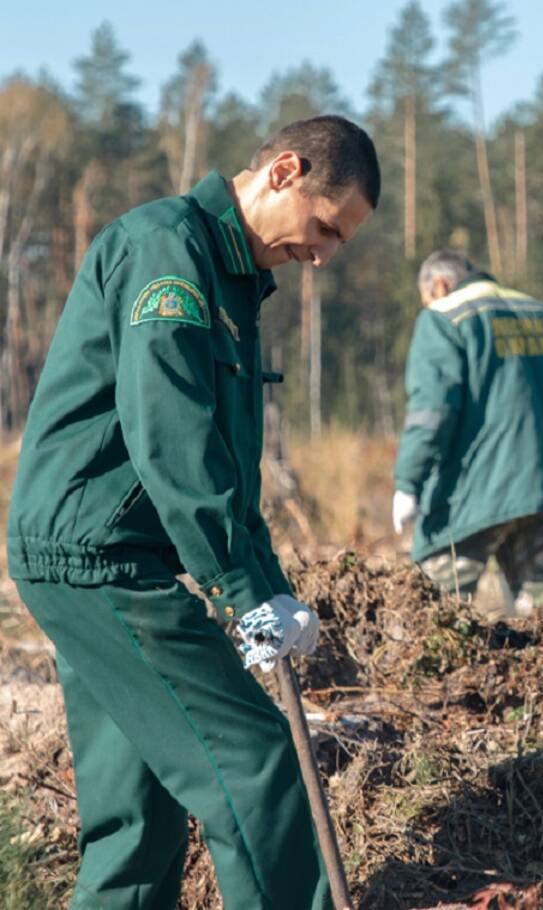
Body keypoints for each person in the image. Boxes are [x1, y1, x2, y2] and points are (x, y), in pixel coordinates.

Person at [6, 115, 380, 909]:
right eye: (324, 227)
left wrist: (269, 583)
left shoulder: (234, 279)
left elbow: (226, 473)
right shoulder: (167, 250)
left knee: (136, 825)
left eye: (338, 243)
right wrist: (240, 595)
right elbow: (170, 435)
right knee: (258, 769)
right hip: (97, 558)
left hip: (110, 554)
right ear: (284, 171)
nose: (322, 256)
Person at [392, 250, 543, 614]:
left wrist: (408, 482)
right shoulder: (542, 313)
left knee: (431, 616)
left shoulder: (443, 318)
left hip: (477, 494)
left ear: (440, 285)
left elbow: (433, 412)